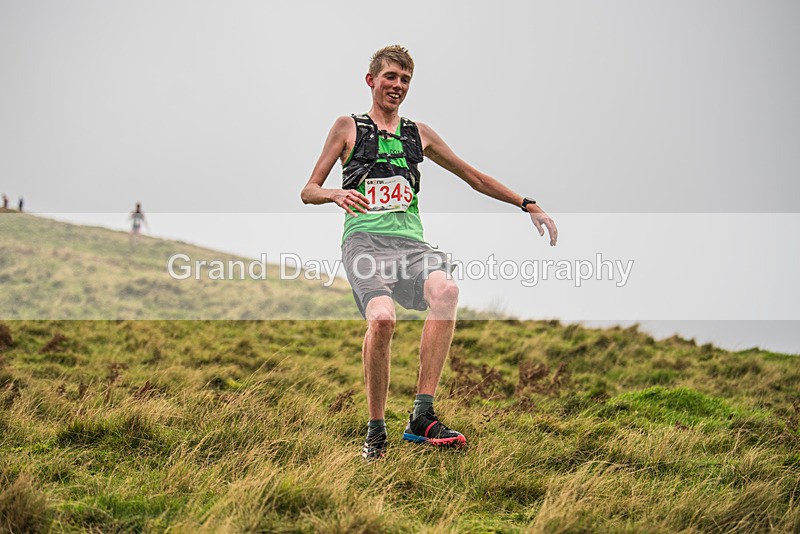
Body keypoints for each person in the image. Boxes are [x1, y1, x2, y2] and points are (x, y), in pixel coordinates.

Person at [301, 46, 557, 460]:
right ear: (371, 80)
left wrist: (525, 202)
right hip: (364, 242)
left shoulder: (418, 134)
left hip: (411, 245)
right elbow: (307, 190)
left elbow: (472, 176)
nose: (397, 86)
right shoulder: (348, 127)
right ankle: (376, 430)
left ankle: (422, 415)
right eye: (390, 77)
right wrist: (334, 193)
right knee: (382, 320)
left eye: (404, 80)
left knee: (448, 291)